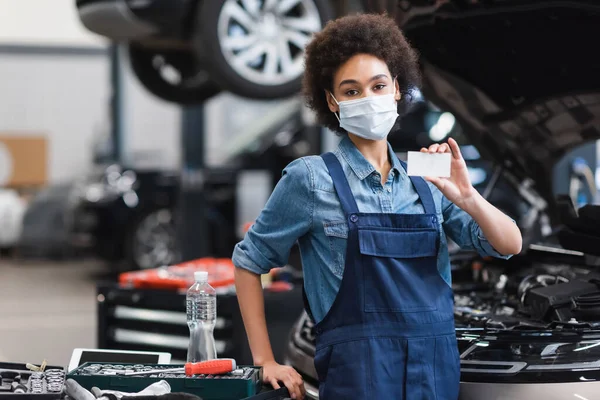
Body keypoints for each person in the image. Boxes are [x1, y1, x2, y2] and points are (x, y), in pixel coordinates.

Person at [232, 13, 522, 400]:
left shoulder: (429, 175)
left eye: (378, 85)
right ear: (331, 102)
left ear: (397, 89)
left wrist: (468, 197)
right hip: (358, 378)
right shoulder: (310, 178)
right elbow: (248, 262)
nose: (368, 98)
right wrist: (264, 360)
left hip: (434, 374)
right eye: (351, 91)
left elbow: (509, 244)